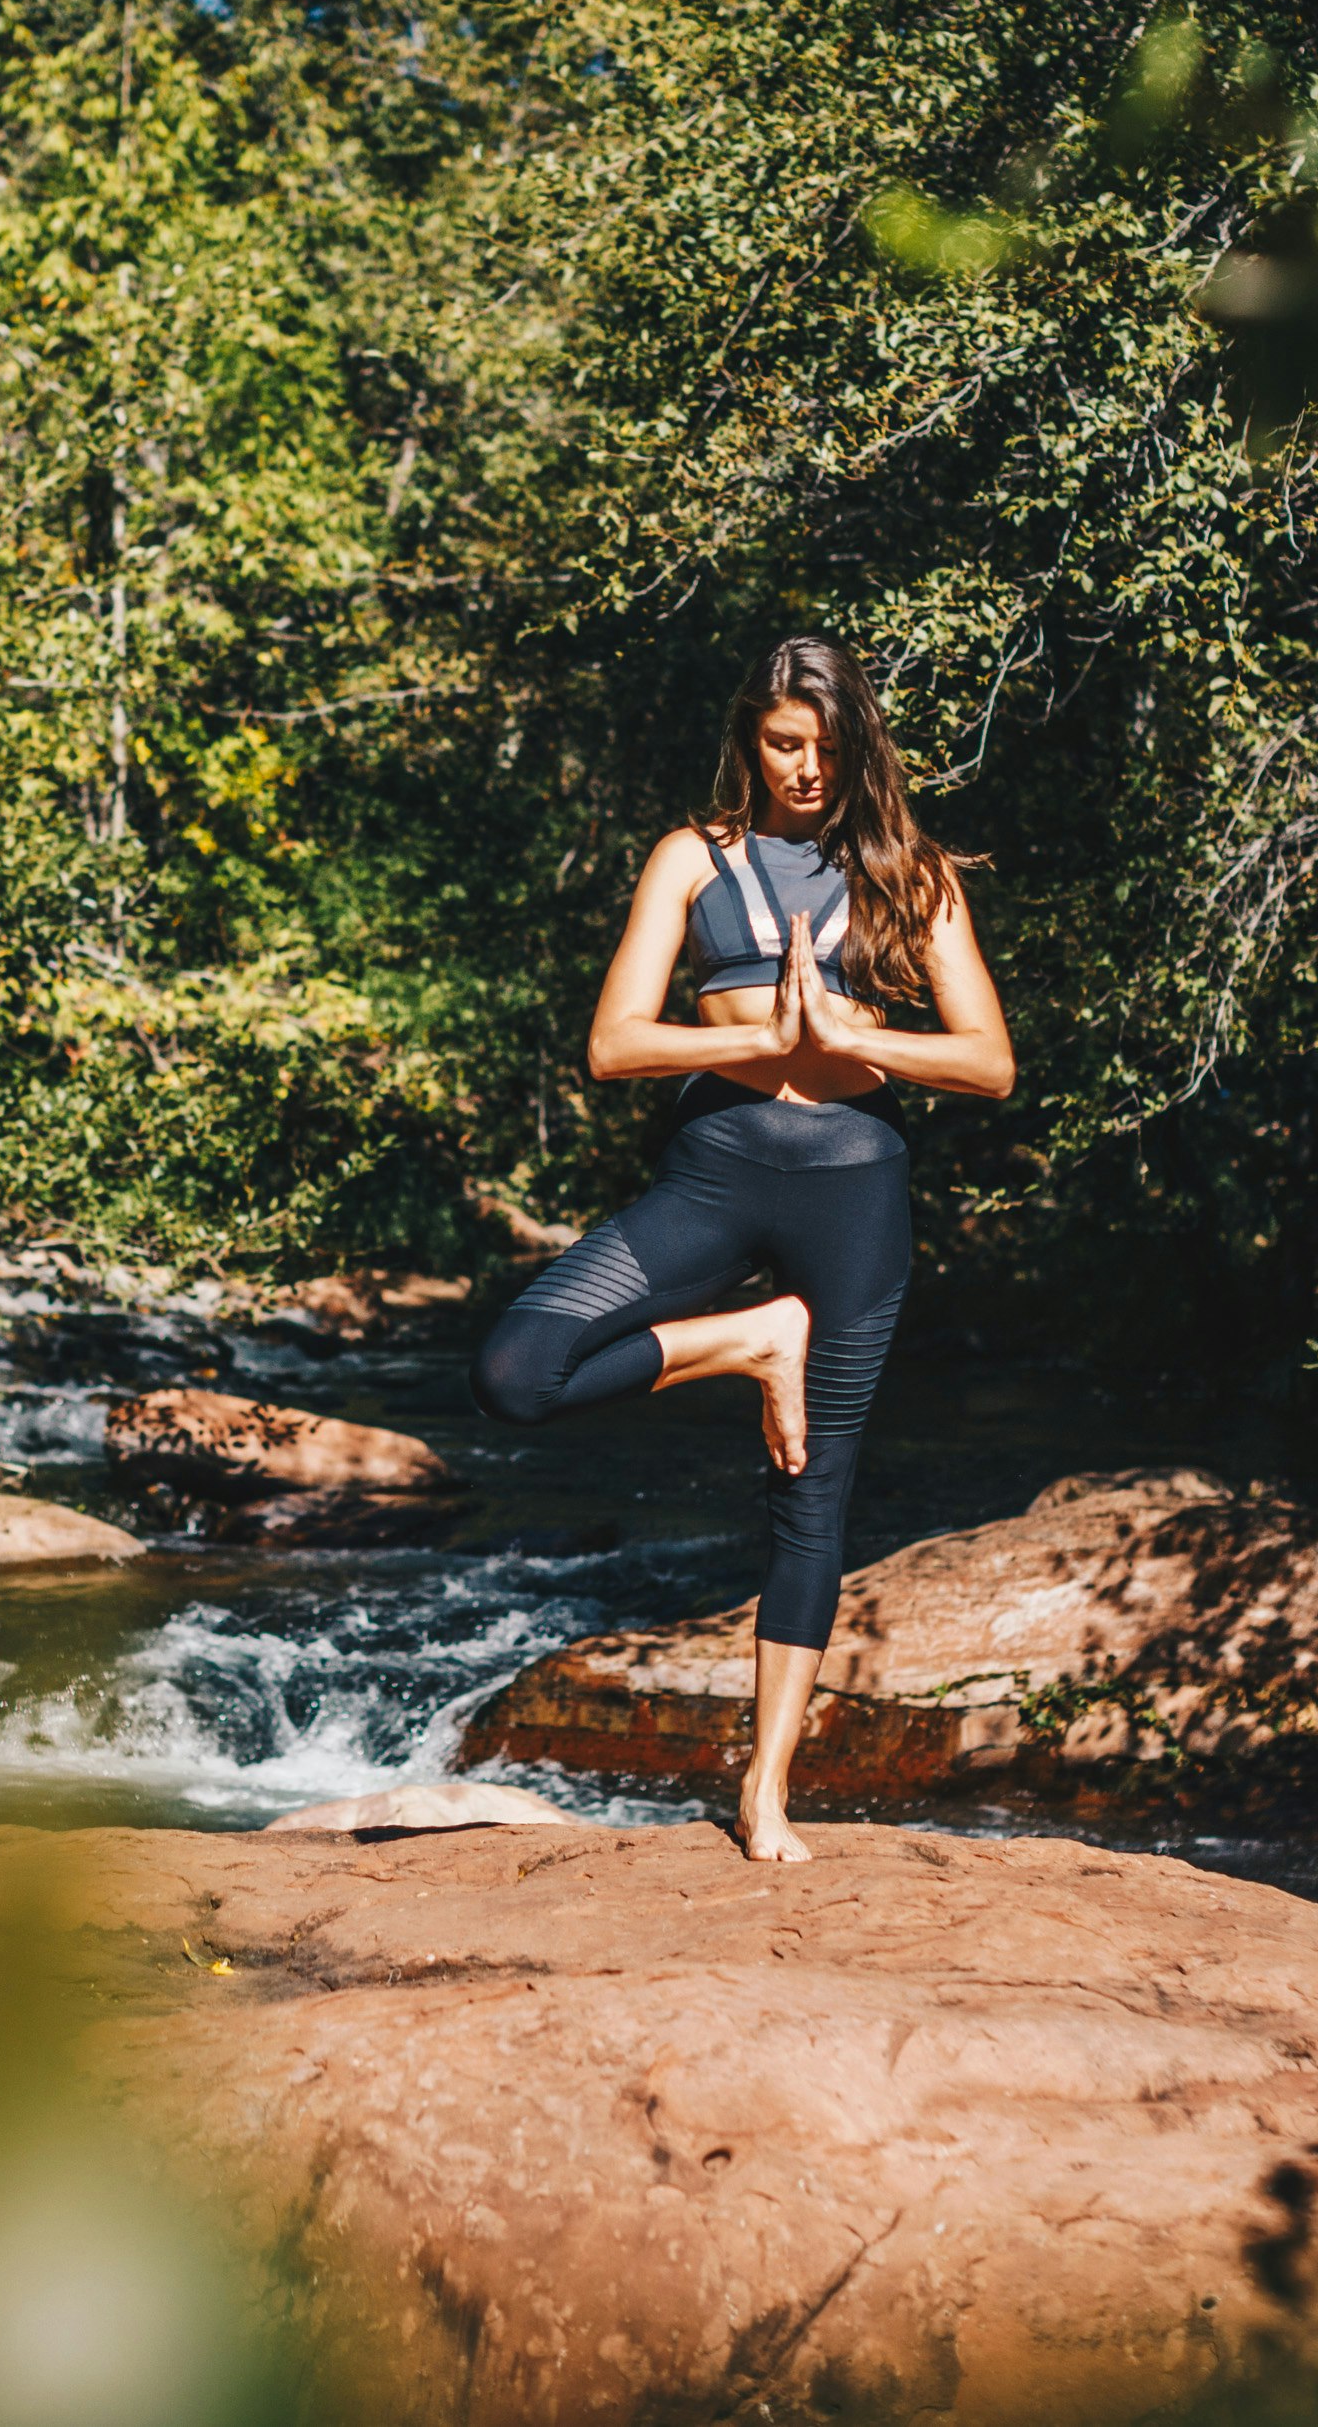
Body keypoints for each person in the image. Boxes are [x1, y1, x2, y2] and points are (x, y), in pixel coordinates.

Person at [470, 637, 1011, 1862]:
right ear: (748, 739)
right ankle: (750, 1337)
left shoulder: (909, 875)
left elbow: (987, 1060)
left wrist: (859, 1041)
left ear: (857, 743)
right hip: (714, 1175)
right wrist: (758, 1043)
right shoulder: (690, 859)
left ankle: (765, 1790)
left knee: (810, 1494)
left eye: (826, 747)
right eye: (782, 744)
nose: (805, 768)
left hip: (854, 1190)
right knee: (513, 1374)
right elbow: (614, 1044)